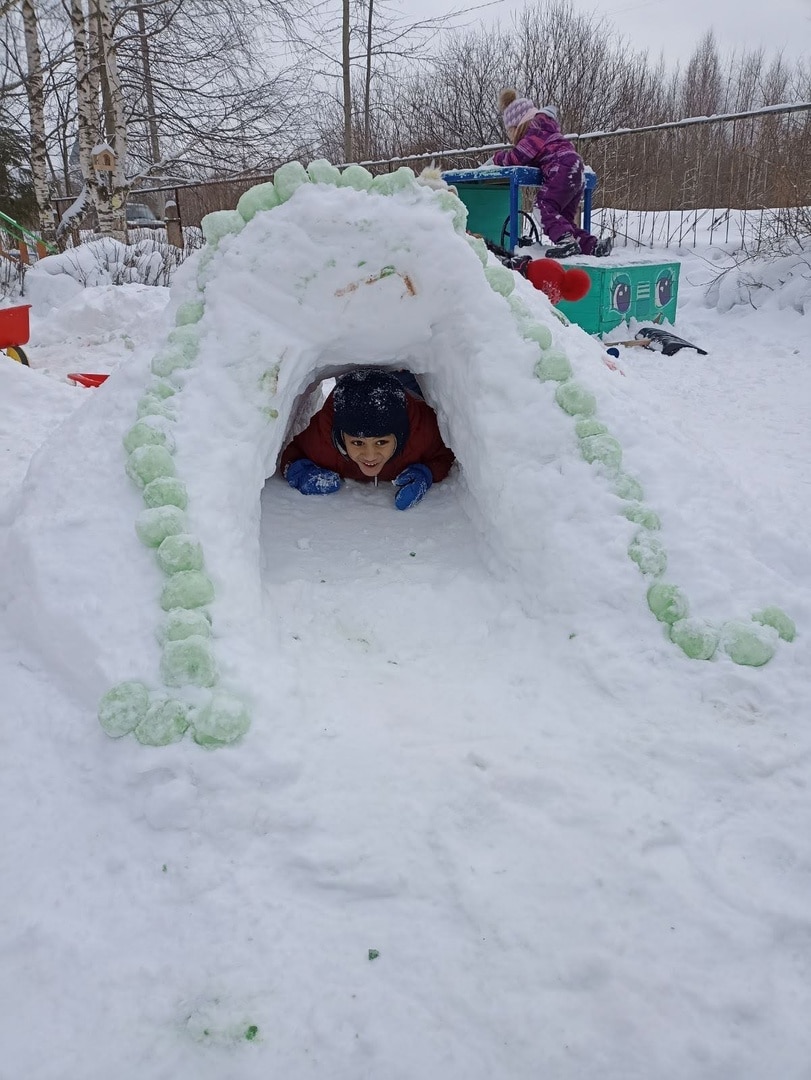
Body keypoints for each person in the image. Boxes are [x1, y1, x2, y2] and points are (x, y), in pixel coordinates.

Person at [279, 368, 455, 511]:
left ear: (400, 438)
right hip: (350, 397)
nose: (370, 456)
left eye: (381, 442)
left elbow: (445, 454)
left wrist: (425, 473)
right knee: (350, 385)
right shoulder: (323, 442)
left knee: (403, 376)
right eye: (357, 443)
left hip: (403, 391)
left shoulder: (423, 433)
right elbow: (293, 455)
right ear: (341, 438)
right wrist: (302, 474)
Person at [492, 88, 612, 260]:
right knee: (563, 220)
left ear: (519, 124)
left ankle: (567, 242)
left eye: (511, 132)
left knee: (542, 207)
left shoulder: (536, 128)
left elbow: (518, 157)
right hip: (577, 169)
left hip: (561, 167)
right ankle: (593, 246)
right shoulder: (547, 128)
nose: (512, 138)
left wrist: (498, 158)